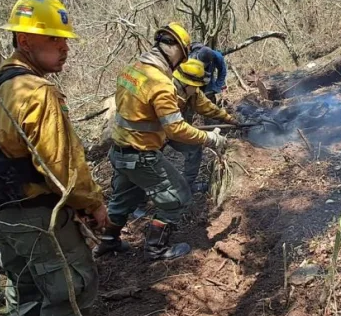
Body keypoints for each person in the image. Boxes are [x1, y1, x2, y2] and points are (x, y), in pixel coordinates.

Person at [0, 0, 107, 316]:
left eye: (64, 40)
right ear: (25, 41)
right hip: (34, 213)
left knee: (26, 283)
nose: (64, 49)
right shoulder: (38, 93)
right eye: (54, 40)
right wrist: (92, 204)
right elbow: (61, 166)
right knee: (70, 286)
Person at [96, 23, 228, 260]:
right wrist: (210, 138)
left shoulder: (132, 69)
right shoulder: (161, 83)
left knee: (123, 199)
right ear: (177, 50)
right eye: (183, 55)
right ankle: (156, 248)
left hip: (120, 151)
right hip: (141, 154)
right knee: (178, 197)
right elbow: (176, 129)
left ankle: (108, 242)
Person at [167, 58, 240, 194]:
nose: (198, 88)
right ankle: (139, 203)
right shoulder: (165, 92)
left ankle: (187, 186)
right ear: (186, 83)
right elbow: (174, 127)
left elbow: (206, 106)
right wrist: (208, 137)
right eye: (196, 85)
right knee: (145, 165)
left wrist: (228, 118)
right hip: (152, 135)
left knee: (193, 147)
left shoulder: (191, 91)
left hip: (174, 129)